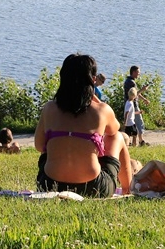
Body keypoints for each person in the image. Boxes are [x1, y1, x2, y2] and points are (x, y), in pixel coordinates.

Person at [34, 53, 133, 197]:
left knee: (50, 140)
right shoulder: (102, 110)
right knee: (117, 137)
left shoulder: (49, 108)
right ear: (93, 80)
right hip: (93, 187)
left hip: (49, 184)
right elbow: (114, 129)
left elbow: (39, 145)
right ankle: (127, 190)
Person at [123, 65, 150, 146]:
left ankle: (130, 141)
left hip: (128, 103)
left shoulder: (127, 80)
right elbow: (134, 95)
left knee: (132, 123)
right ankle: (141, 141)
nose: (139, 74)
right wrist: (143, 90)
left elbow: (134, 94)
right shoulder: (132, 82)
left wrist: (144, 99)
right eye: (138, 72)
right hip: (133, 105)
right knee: (139, 122)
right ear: (133, 72)